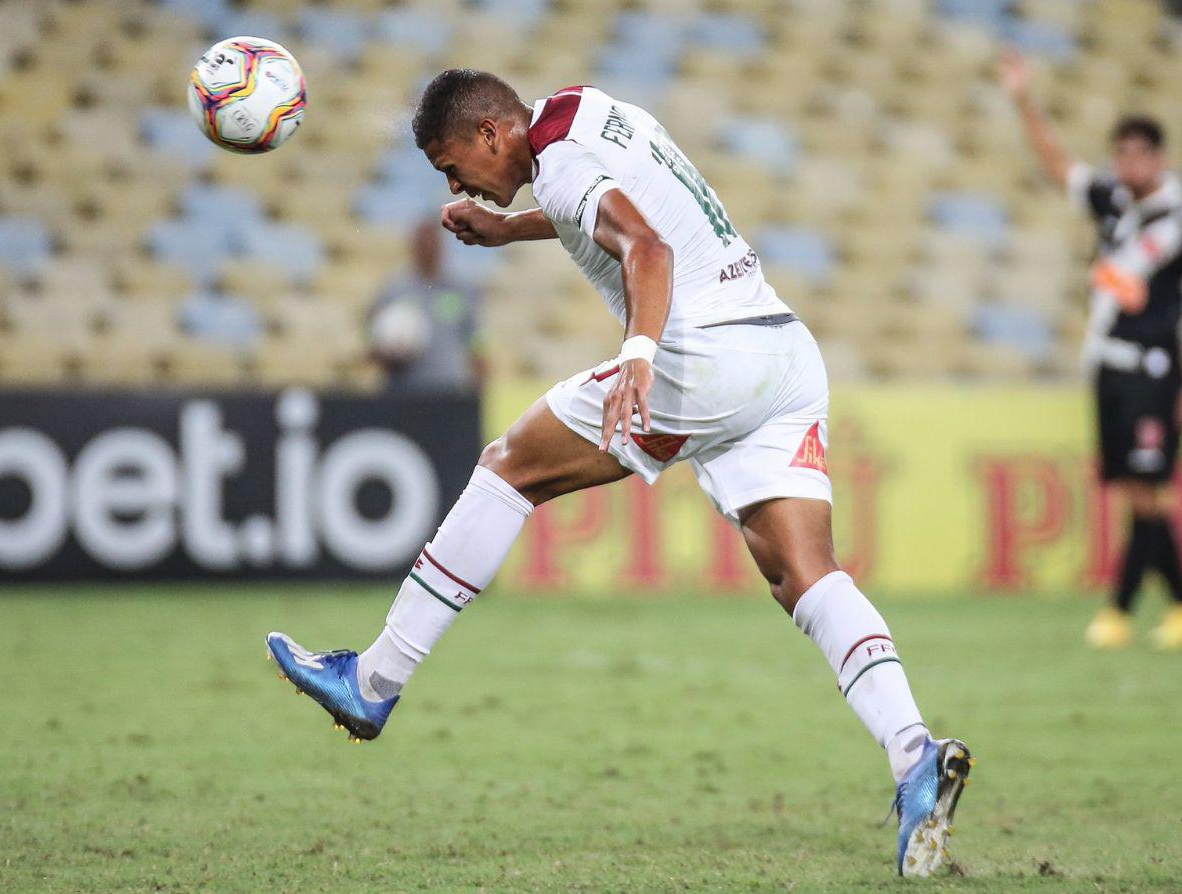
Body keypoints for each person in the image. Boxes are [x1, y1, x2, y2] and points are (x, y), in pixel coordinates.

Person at [267, 71, 972, 877]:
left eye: (450, 164)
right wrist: (509, 230)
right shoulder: (582, 109)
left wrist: (639, 356)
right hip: (780, 353)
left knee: (508, 468)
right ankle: (916, 756)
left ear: (492, 134)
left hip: (696, 355)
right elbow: (608, 210)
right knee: (804, 575)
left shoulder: (561, 167)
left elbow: (646, 244)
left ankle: (375, 679)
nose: (455, 184)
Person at [1002, 49, 1182, 651]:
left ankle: (1129, 608)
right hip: (1110, 367)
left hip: (1153, 368)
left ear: (1159, 158)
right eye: (1123, 153)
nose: (1129, 163)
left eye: (1140, 153)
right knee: (1138, 490)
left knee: (1147, 491)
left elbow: (1132, 285)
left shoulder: (1175, 220)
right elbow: (1060, 167)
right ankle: (1168, 609)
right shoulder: (1113, 200)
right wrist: (1023, 99)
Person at [368, 219, 485, 392]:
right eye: (422, 242)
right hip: (403, 389)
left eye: (432, 242)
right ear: (413, 246)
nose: (428, 247)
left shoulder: (461, 288)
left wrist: (480, 380)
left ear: (442, 246)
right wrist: (385, 351)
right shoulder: (395, 289)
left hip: (449, 388)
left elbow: (475, 338)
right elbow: (372, 335)